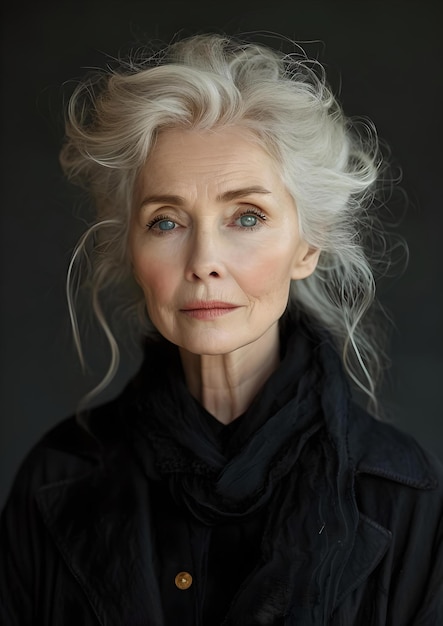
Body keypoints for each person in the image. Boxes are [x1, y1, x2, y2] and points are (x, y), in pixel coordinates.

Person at [1, 33, 442, 626]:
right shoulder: (55, 482)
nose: (204, 259)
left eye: (247, 216)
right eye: (166, 221)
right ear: (131, 248)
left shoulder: (405, 499)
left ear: (306, 245)